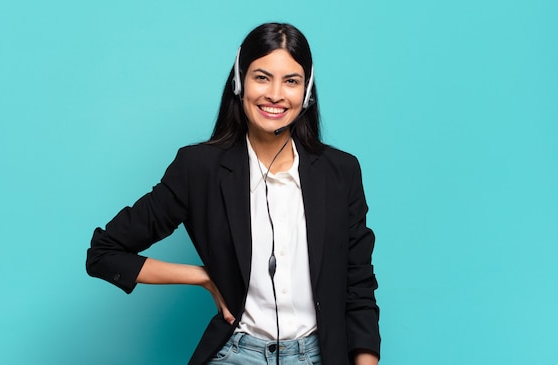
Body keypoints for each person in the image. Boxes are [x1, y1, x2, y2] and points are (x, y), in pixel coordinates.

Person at [86, 22, 380, 365]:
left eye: (291, 81)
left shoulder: (340, 172)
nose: (275, 94)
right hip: (237, 355)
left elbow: (358, 286)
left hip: (317, 355)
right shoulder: (198, 168)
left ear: (307, 90)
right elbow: (103, 254)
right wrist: (203, 277)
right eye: (261, 77)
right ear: (240, 83)